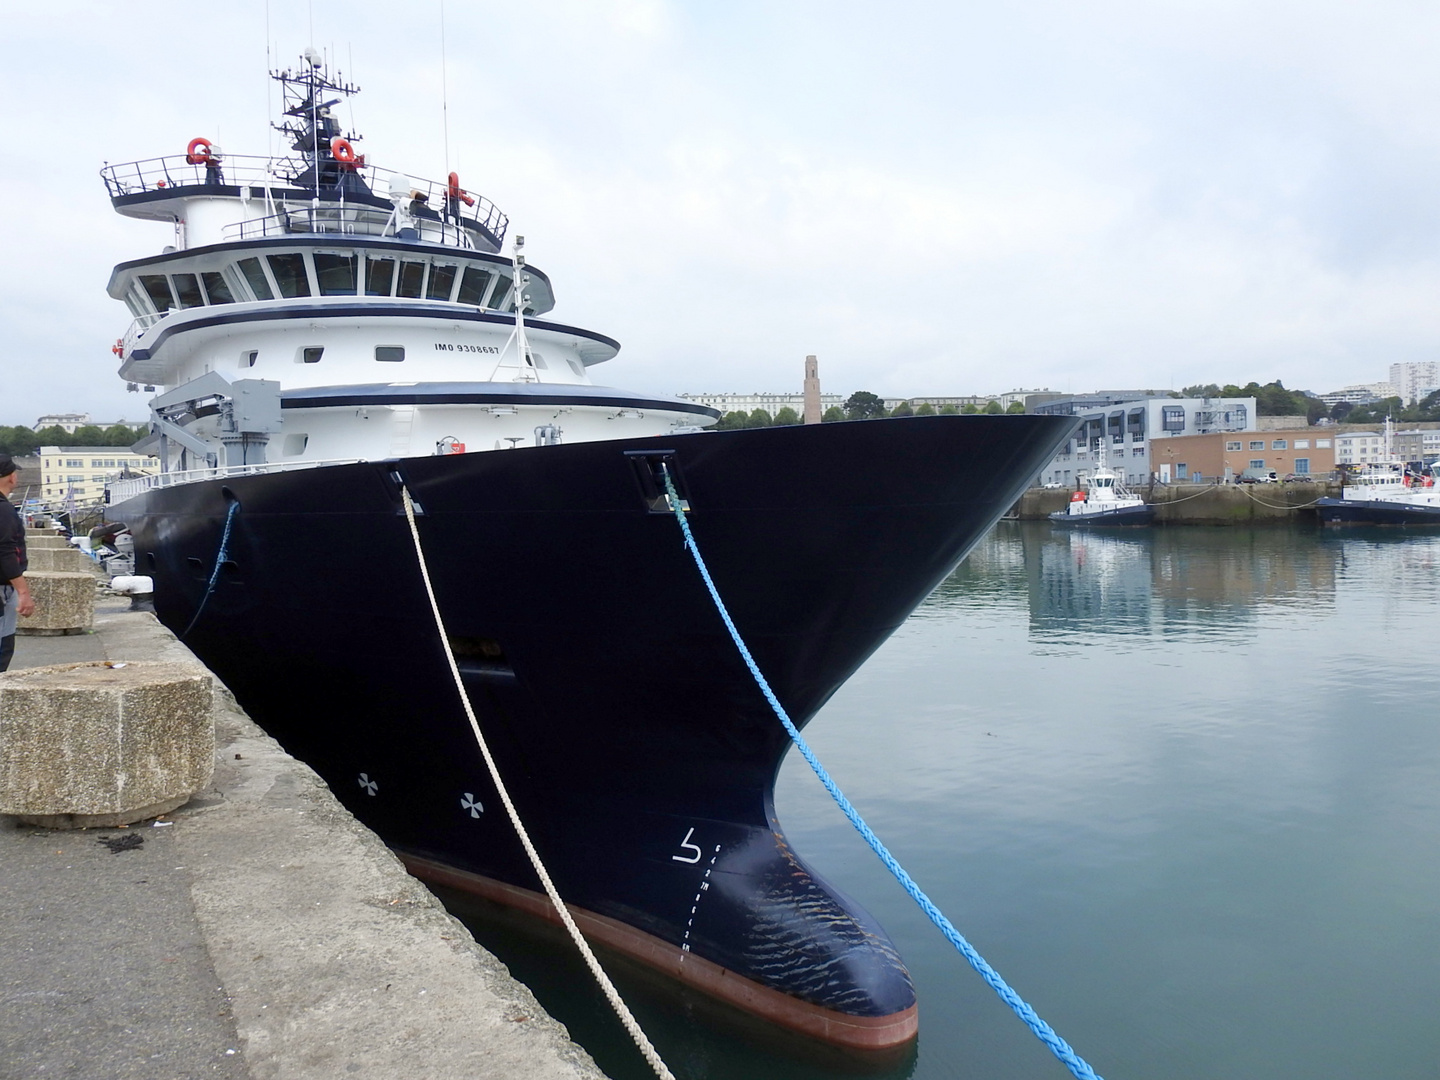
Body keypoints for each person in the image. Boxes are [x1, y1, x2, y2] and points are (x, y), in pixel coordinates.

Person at [0, 455, 36, 671]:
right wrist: (23, 592)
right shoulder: (3, 510)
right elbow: (4, 551)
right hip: (2, 588)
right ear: (11, 477)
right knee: (3, 646)